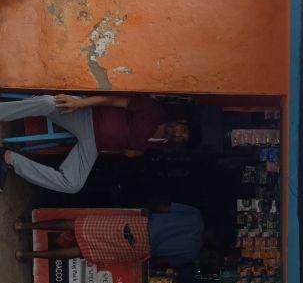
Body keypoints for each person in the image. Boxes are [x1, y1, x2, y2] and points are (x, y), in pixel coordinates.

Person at [0, 94, 190, 194]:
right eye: (183, 129)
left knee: (72, 184)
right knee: (49, 102)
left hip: (94, 144)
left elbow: (135, 149)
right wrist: (80, 104)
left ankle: (8, 158)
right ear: (181, 121)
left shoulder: (160, 143)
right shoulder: (154, 110)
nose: (179, 134)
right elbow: (113, 100)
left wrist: (135, 152)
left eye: (183, 138)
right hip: (88, 116)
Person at [14, 203, 204, 268]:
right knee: (80, 252)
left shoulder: (195, 215)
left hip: (138, 225)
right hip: (139, 248)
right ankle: (26, 254)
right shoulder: (193, 252)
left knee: (77, 225)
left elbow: (162, 207)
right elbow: (163, 262)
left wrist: (148, 211)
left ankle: (24, 225)